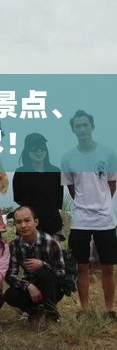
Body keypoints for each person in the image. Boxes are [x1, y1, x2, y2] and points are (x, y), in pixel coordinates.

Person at [61, 109, 117, 318]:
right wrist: (84, 204)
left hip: (105, 219)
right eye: (78, 126)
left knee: (108, 267)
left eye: (85, 125)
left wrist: (102, 203)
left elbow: (112, 183)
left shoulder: (108, 154)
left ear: (92, 126)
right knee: (81, 266)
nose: (82, 129)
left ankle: (109, 309)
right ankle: (84, 309)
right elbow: (72, 188)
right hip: (80, 220)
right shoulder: (68, 158)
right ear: (73, 130)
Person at [5, 206, 65, 322]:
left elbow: (61, 273)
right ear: (15, 225)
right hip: (31, 285)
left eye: (27, 220)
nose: (23, 225)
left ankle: (51, 313)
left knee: (42, 271)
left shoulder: (51, 242)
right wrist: (28, 286)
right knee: (10, 295)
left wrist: (43, 265)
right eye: (19, 222)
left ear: (36, 222)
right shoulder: (14, 245)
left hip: (52, 287)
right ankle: (33, 311)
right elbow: (10, 275)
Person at [13, 133, 63, 238]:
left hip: (53, 226)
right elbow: (18, 198)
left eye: (41, 147)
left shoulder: (56, 172)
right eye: (34, 148)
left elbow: (58, 201)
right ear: (27, 151)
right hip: (27, 228)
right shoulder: (20, 173)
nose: (38, 151)